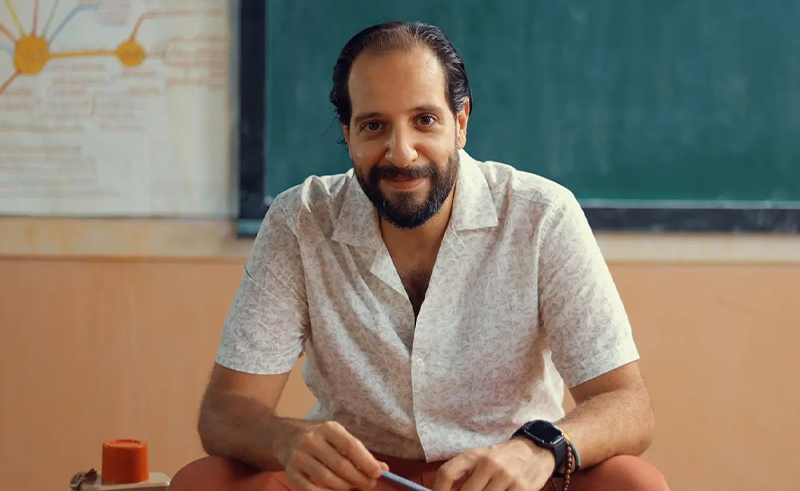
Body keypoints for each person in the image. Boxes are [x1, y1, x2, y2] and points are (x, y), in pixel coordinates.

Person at [170, 21, 669, 491]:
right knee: (204, 481)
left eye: (424, 120)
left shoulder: (542, 215)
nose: (402, 153)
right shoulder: (299, 219)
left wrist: (540, 448)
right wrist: (285, 439)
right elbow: (226, 411)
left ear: (461, 123)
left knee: (634, 483)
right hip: (359, 478)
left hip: (506, 475)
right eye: (373, 126)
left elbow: (626, 403)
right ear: (347, 134)